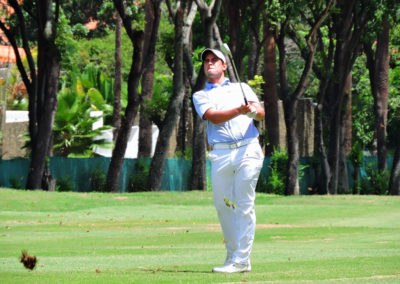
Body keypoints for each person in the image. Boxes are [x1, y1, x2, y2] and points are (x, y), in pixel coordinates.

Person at [192, 48, 265, 273]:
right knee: (223, 206)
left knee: (244, 202)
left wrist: (252, 112)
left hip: (248, 149)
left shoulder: (242, 88)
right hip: (221, 153)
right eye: (207, 61)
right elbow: (213, 116)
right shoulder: (200, 95)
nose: (210, 63)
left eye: (215, 60)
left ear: (224, 65)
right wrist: (239, 110)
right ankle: (233, 255)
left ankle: (242, 260)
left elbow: (261, 113)